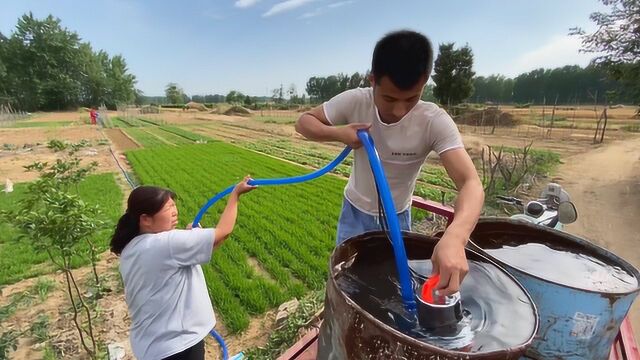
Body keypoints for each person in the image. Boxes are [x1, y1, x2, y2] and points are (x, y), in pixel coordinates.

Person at [295, 30, 484, 296]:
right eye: (389, 98)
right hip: (355, 214)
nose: (399, 110)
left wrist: (456, 237)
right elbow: (304, 122)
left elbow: (471, 183)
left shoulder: (433, 121)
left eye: (411, 98)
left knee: (393, 287)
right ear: (373, 80)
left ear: (424, 83)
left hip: (398, 217)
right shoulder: (356, 100)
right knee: (348, 285)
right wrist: (338, 133)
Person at [110, 177, 255, 360]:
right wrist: (235, 195)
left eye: (173, 205)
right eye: (167, 208)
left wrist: (190, 240)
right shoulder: (166, 243)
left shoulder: (132, 247)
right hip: (178, 346)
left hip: (152, 345)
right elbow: (223, 233)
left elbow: (191, 252)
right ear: (145, 219)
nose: (174, 212)